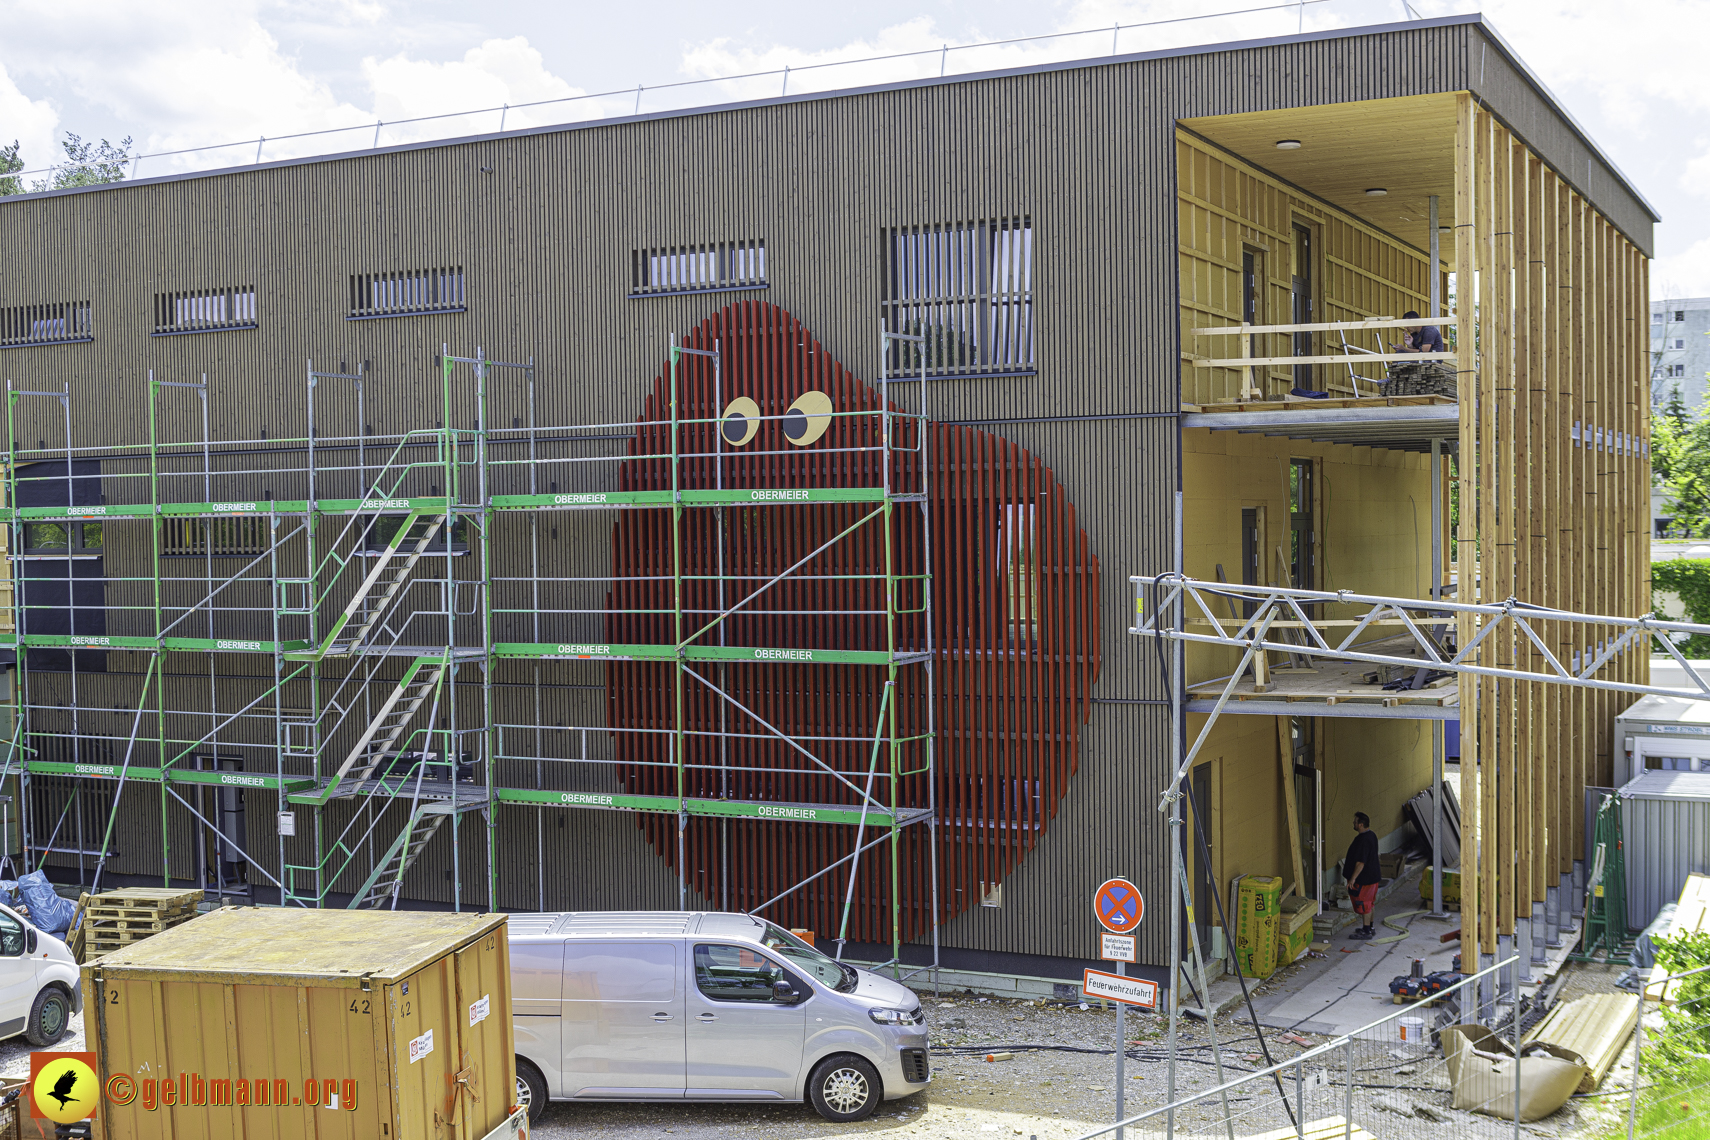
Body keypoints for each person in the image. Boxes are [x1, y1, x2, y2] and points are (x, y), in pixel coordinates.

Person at [1343, 812, 1382, 940]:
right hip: (1373, 878)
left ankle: (1366, 931)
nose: (1353, 823)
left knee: (1364, 904)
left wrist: (1353, 878)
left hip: (1364, 880)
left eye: (1355, 822)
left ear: (1360, 825)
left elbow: (1360, 863)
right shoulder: (1372, 835)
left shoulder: (1363, 840)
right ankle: (1370, 927)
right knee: (1370, 903)